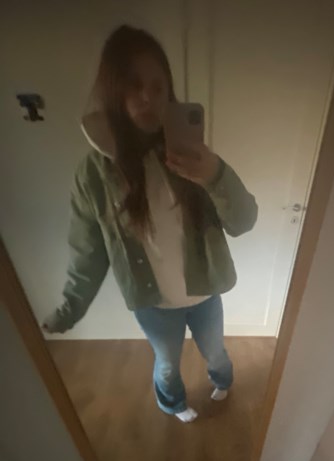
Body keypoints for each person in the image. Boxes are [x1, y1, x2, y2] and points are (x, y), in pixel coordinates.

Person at [43, 25, 257, 423]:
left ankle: (223, 380)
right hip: (153, 304)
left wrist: (215, 174)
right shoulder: (93, 174)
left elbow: (243, 221)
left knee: (216, 352)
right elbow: (87, 252)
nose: (147, 97)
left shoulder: (192, 156)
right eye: (134, 85)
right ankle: (172, 403)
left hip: (205, 292)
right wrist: (70, 309)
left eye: (158, 87)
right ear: (113, 91)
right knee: (167, 363)